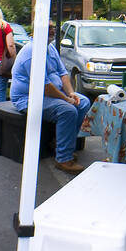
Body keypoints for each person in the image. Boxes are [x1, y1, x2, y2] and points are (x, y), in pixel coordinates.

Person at [5, 24, 89, 173]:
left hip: (50, 94)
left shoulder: (50, 48)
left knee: (83, 103)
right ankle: (63, 159)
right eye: (48, 27)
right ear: (35, 31)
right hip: (28, 98)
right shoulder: (32, 53)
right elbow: (45, 87)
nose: (52, 30)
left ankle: (61, 143)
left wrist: (71, 93)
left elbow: (63, 74)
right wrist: (66, 99)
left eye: (53, 27)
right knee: (68, 110)